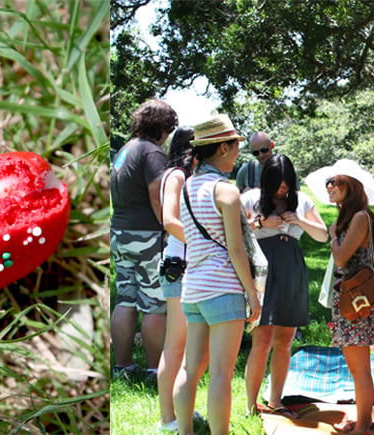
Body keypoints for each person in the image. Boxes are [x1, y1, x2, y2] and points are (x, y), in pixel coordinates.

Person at [172, 114, 261, 435]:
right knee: (222, 373)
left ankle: (183, 431)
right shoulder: (225, 191)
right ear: (223, 148)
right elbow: (236, 250)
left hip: (192, 287)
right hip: (223, 287)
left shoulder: (186, 186)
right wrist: (252, 294)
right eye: (236, 146)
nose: (238, 152)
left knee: (190, 368)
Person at [241, 154, 328, 418]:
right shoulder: (250, 199)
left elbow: (322, 235)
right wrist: (260, 222)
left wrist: (299, 220)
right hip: (262, 271)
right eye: (277, 184)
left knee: (285, 341)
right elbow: (232, 229)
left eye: (286, 183)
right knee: (262, 339)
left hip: (291, 270)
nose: (282, 189)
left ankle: (276, 400)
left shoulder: (302, 202)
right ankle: (250, 404)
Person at [305, 160, 374, 433]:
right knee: (354, 365)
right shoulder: (349, 218)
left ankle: (363, 424)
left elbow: (340, 258)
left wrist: (334, 236)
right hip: (348, 300)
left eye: (337, 182)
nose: (330, 186)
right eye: (329, 182)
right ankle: (363, 418)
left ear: (352, 186)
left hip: (357, 303)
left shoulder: (360, 217)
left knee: (360, 367)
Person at [110, 99, 178, 381]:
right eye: (169, 128)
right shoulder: (153, 153)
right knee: (154, 304)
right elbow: (156, 195)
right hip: (147, 235)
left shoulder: (124, 151)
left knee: (125, 299)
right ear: (161, 126)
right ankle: (154, 369)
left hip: (119, 232)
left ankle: (122, 365)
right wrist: (168, 225)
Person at [156, 126, 196, 431]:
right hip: (179, 266)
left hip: (186, 264)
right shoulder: (177, 177)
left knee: (184, 346)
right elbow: (169, 220)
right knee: (175, 345)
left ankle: (179, 412)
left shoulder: (183, 177)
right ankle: (167, 418)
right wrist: (202, 241)